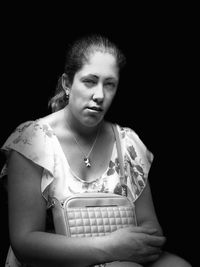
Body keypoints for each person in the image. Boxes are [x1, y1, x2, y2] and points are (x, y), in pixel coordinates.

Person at [0, 34, 191, 267]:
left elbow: (151, 229)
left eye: (109, 84)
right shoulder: (32, 141)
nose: (99, 95)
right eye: (90, 81)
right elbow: (25, 242)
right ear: (67, 83)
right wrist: (110, 246)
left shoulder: (127, 142)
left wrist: (125, 250)